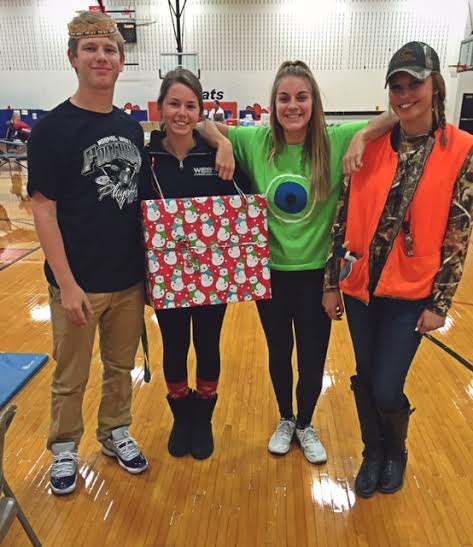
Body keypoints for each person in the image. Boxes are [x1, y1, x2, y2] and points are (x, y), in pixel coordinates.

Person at [198, 60, 397, 463]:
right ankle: (285, 418)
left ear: (314, 102)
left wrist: (362, 137)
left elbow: (395, 115)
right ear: (273, 103)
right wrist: (221, 142)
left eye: (301, 97)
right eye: (284, 98)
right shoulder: (255, 141)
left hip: (316, 278)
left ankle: (306, 422)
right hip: (269, 274)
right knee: (277, 352)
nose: (293, 106)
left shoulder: (333, 140)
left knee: (312, 356)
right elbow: (202, 121)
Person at [323, 42, 473, 497]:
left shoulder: (461, 149)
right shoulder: (367, 146)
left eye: (415, 84)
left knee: (388, 386)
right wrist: (332, 282)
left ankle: (397, 451)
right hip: (362, 288)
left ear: (435, 85)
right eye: (398, 87)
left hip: (412, 295)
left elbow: (458, 233)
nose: (406, 95)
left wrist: (440, 302)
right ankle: (374, 452)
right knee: (365, 378)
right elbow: (342, 215)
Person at [27, 10, 148, 496]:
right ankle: (63, 446)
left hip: (127, 281)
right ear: (72, 58)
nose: (101, 57)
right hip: (76, 284)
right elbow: (43, 210)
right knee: (71, 374)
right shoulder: (52, 130)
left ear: (121, 63)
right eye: (90, 49)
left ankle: (115, 431)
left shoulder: (132, 127)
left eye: (109, 50)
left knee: (121, 368)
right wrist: (68, 283)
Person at [140, 68, 250, 460]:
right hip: (167, 280)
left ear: (200, 112)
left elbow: (244, 204)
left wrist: (223, 143)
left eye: (190, 106)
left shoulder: (215, 154)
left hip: (210, 278)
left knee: (207, 344)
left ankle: (203, 416)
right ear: (161, 107)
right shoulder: (146, 158)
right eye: (174, 104)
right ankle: (180, 415)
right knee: (173, 345)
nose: (181, 113)